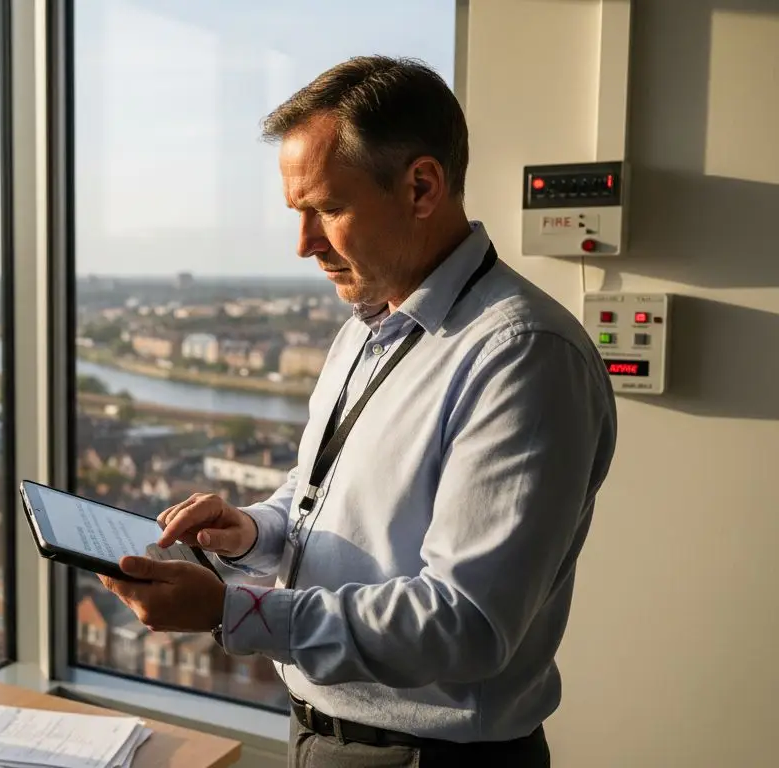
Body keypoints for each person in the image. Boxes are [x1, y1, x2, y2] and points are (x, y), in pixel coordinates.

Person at [96, 55, 617, 768]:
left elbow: (465, 623)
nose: (304, 244)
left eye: (328, 210)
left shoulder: (523, 355)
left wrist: (229, 611)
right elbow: (321, 493)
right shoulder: (367, 328)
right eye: (298, 213)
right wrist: (251, 531)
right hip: (321, 735)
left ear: (421, 187)